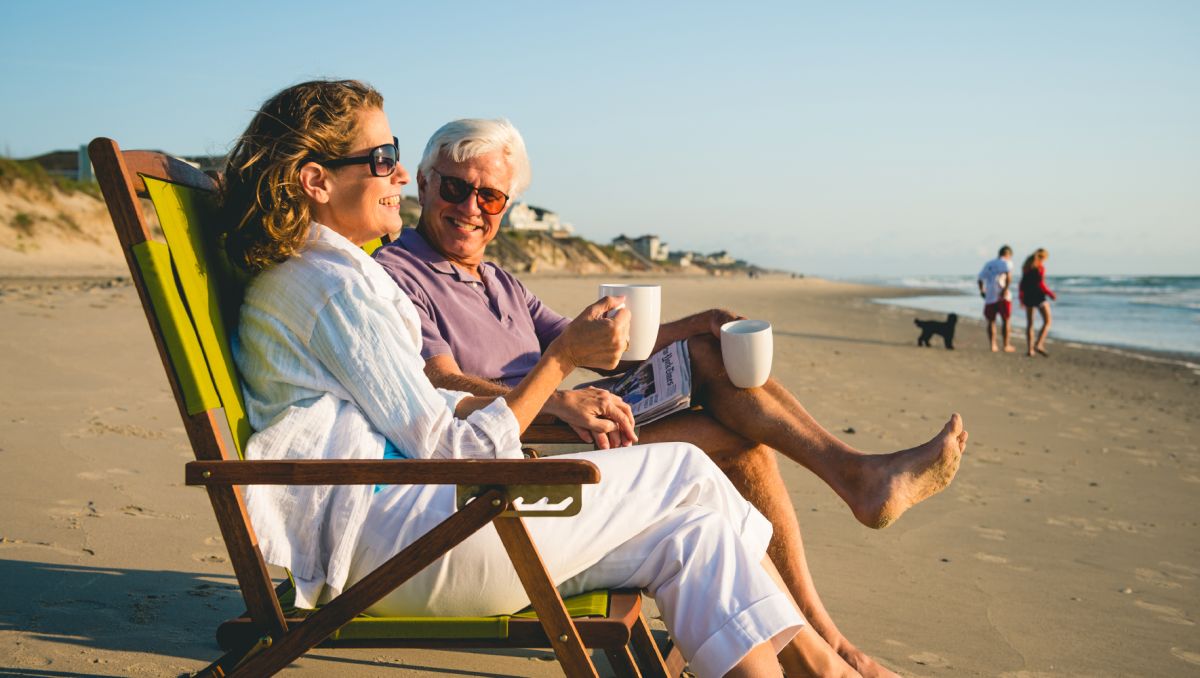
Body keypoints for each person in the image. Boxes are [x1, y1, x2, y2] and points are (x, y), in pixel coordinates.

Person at [220, 79, 868, 678]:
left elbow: (432, 427)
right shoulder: (337, 289)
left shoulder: (335, 276)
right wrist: (558, 370)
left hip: (418, 523)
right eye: (383, 156)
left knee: (692, 533)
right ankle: (828, 664)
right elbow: (449, 449)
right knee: (686, 473)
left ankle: (821, 667)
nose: (394, 174)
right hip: (401, 546)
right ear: (315, 180)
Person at [375, 118, 970, 676]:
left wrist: (694, 324)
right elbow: (439, 384)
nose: (471, 208)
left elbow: (600, 349)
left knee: (710, 356)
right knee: (738, 447)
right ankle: (828, 643)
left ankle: (851, 510)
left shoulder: (498, 280)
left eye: (492, 198)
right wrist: (554, 398)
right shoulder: (402, 274)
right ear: (424, 183)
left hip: (572, 425)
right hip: (528, 453)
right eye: (456, 187)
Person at [977, 245, 1015, 353]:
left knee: (991, 321)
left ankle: (993, 345)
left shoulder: (989, 264)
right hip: (1003, 296)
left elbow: (980, 279)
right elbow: (1009, 276)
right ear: (1008, 254)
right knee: (1006, 320)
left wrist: (982, 291)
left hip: (990, 296)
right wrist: (1005, 289)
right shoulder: (1006, 263)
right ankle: (1006, 345)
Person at [1019, 248, 1056, 357]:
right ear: (1043, 257)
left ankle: (1030, 350)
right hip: (1039, 296)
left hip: (1028, 296)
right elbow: (1041, 284)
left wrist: (1021, 298)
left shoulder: (1026, 267)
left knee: (1030, 323)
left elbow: (1022, 283)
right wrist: (1050, 293)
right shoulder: (1040, 268)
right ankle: (1039, 344)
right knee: (1047, 321)